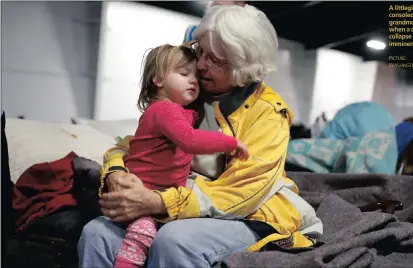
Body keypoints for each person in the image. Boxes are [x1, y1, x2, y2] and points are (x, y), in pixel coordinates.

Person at [78, 5, 323, 268]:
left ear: (243, 67)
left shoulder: (268, 114)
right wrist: (115, 173)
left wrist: (158, 202)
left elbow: (241, 193)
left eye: (215, 60)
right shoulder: (189, 93)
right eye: (200, 51)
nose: (201, 65)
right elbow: (130, 145)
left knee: (175, 241)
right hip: (178, 199)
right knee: (97, 233)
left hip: (249, 213)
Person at [108, 44, 248, 268]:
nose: (193, 80)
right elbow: (190, 140)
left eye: (196, 76)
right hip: (142, 194)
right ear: (158, 80)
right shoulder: (166, 110)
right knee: (141, 235)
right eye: (184, 74)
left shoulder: (168, 111)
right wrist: (229, 143)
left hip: (153, 193)